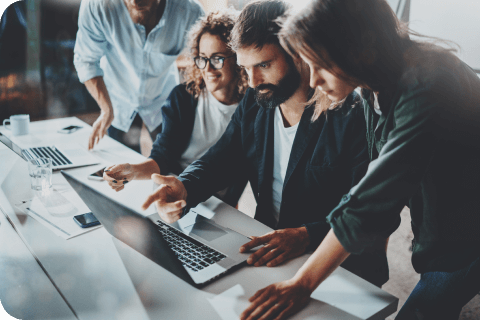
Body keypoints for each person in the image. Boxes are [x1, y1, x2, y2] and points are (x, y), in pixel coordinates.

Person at [240, 0, 480, 319]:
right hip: (443, 212)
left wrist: (302, 283)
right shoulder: (372, 83)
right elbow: (370, 187)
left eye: (320, 66)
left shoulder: (430, 87)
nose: (313, 81)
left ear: (354, 50)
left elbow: (372, 202)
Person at [141, 0, 389, 288]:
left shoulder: (350, 111)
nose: (254, 80)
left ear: (297, 53)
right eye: (246, 69)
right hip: (267, 247)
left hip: (334, 264)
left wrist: (306, 234)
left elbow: (370, 213)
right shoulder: (256, 99)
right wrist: (184, 186)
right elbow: (223, 156)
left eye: (264, 64)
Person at [103, 9, 249, 207]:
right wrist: (133, 171)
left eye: (217, 58)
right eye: (202, 58)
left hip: (219, 203)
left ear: (238, 59)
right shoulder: (183, 98)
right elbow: (162, 157)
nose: (207, 68)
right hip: (174, 190)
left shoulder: (252, 109)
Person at [73, 0, 204, 152]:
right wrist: (106, 108)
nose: (134, 1)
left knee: (172, 163)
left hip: (162, 99)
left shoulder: (190, 13)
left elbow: (205, 63)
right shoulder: (98, 5)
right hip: (118, 102)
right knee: (122, 167)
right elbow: (87, 60)